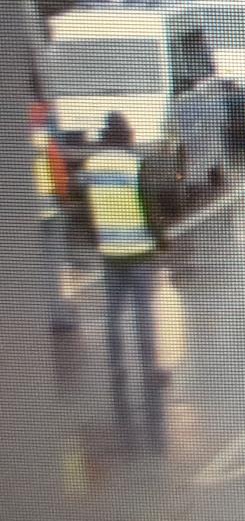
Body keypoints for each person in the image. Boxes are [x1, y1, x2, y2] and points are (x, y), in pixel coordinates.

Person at [80, 112, 167, 447]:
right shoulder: (136, 165)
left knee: (113, 313)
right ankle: (150, 367)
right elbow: (150, 208)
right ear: (127, 136)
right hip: (140, 250)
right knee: (143, 314)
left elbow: (86, 206)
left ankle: (117, 366)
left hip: (110, 249)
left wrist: (96, 235)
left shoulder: (92, 166)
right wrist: (160, 239)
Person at [30, 100, 78, 333]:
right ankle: (60, 316)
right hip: (48, 205)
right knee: (55, 264)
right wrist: (65, 197)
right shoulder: (44, 128)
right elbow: (58, 166)